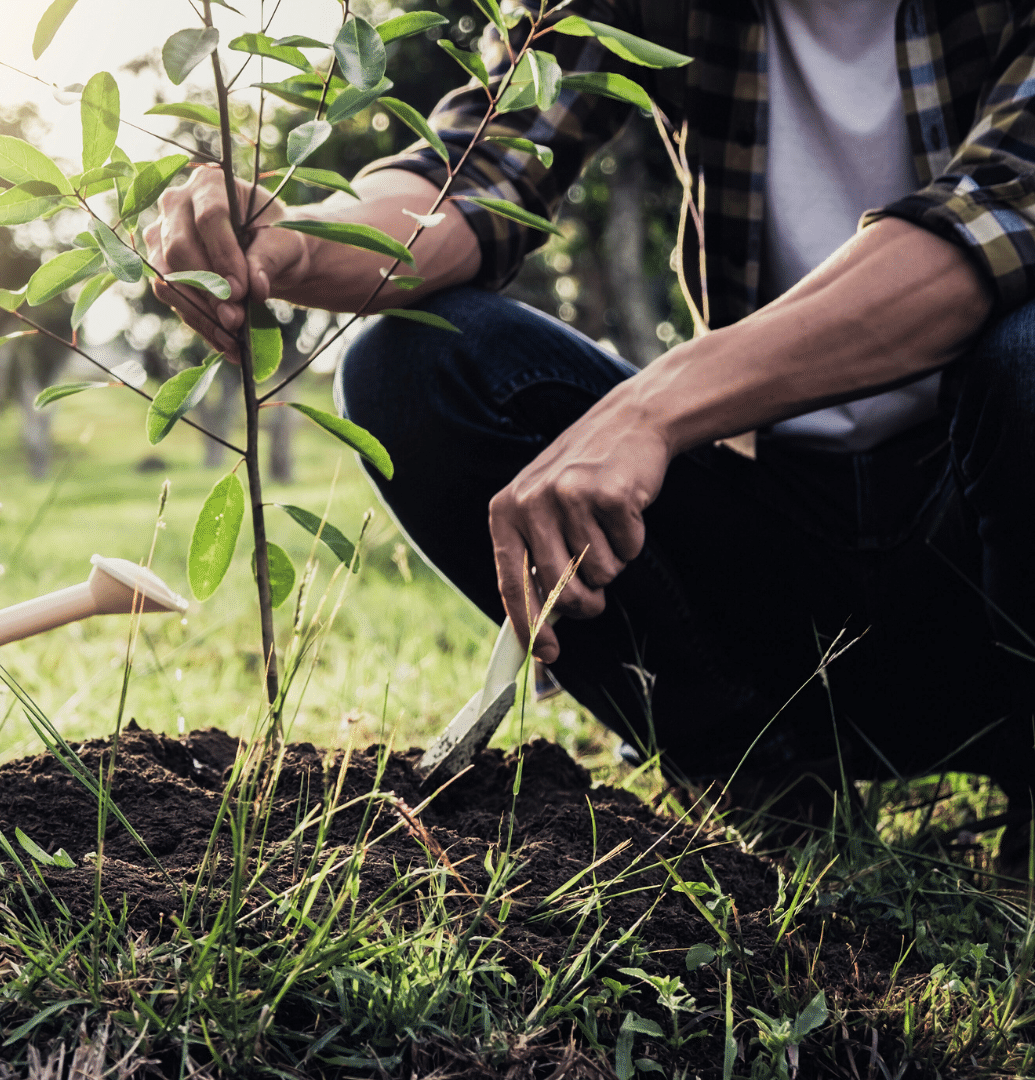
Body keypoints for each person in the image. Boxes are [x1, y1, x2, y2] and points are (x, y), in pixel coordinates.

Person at [147, 0, 1035, 837]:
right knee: (415, 364)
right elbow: (482, 166)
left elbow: (1002, 213)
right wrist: (295, 241)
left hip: (978, 562)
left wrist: (655, 407)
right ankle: (756, 775)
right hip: (776, 556)